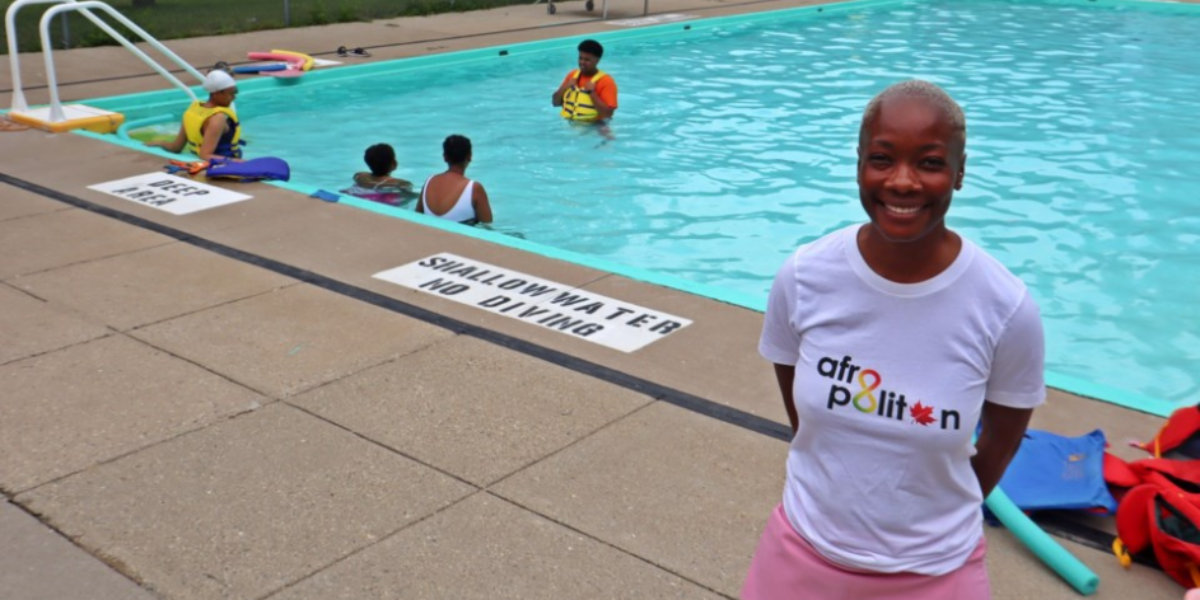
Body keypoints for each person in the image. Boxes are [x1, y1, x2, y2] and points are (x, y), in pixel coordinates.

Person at [743, 80, 1046, 600]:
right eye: (882, 159)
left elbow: (998, 444)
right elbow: (806, 420)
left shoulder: (1006, 309)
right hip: (802, 551)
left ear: (960, 171)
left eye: (929, 163)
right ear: (859, 164)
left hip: (937, 571)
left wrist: (931, 518)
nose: (902, 182)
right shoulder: (804, 277)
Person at [146, 70, 243, 160]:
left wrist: (160, 142)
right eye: (231, 93)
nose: (234, 97)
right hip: (224, 167)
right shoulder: (218, 118)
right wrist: (241, 163)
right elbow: (205, 155)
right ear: (217, 93)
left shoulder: (193, 110)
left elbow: (176, 147)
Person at [417, 135, 493, 226]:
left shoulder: (429, 182)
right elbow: (487, 226)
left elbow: (417, 217)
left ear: (445, 157)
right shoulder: (474, 188)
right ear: (469, 157)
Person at [552, 39, 618, 123]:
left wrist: (592, 93)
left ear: (597, 60)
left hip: (594, 126)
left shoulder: (606, 81)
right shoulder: (572, 75)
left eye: (587, 60)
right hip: (568, 124)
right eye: (580, 58)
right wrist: (564, 87)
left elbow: (607, 115)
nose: (582, 62)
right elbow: (555, 103)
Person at [340, 143, 415, 206]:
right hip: (384, 202)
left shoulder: (359, 176)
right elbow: (411, 196)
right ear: (394, 163)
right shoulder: (400, 184)